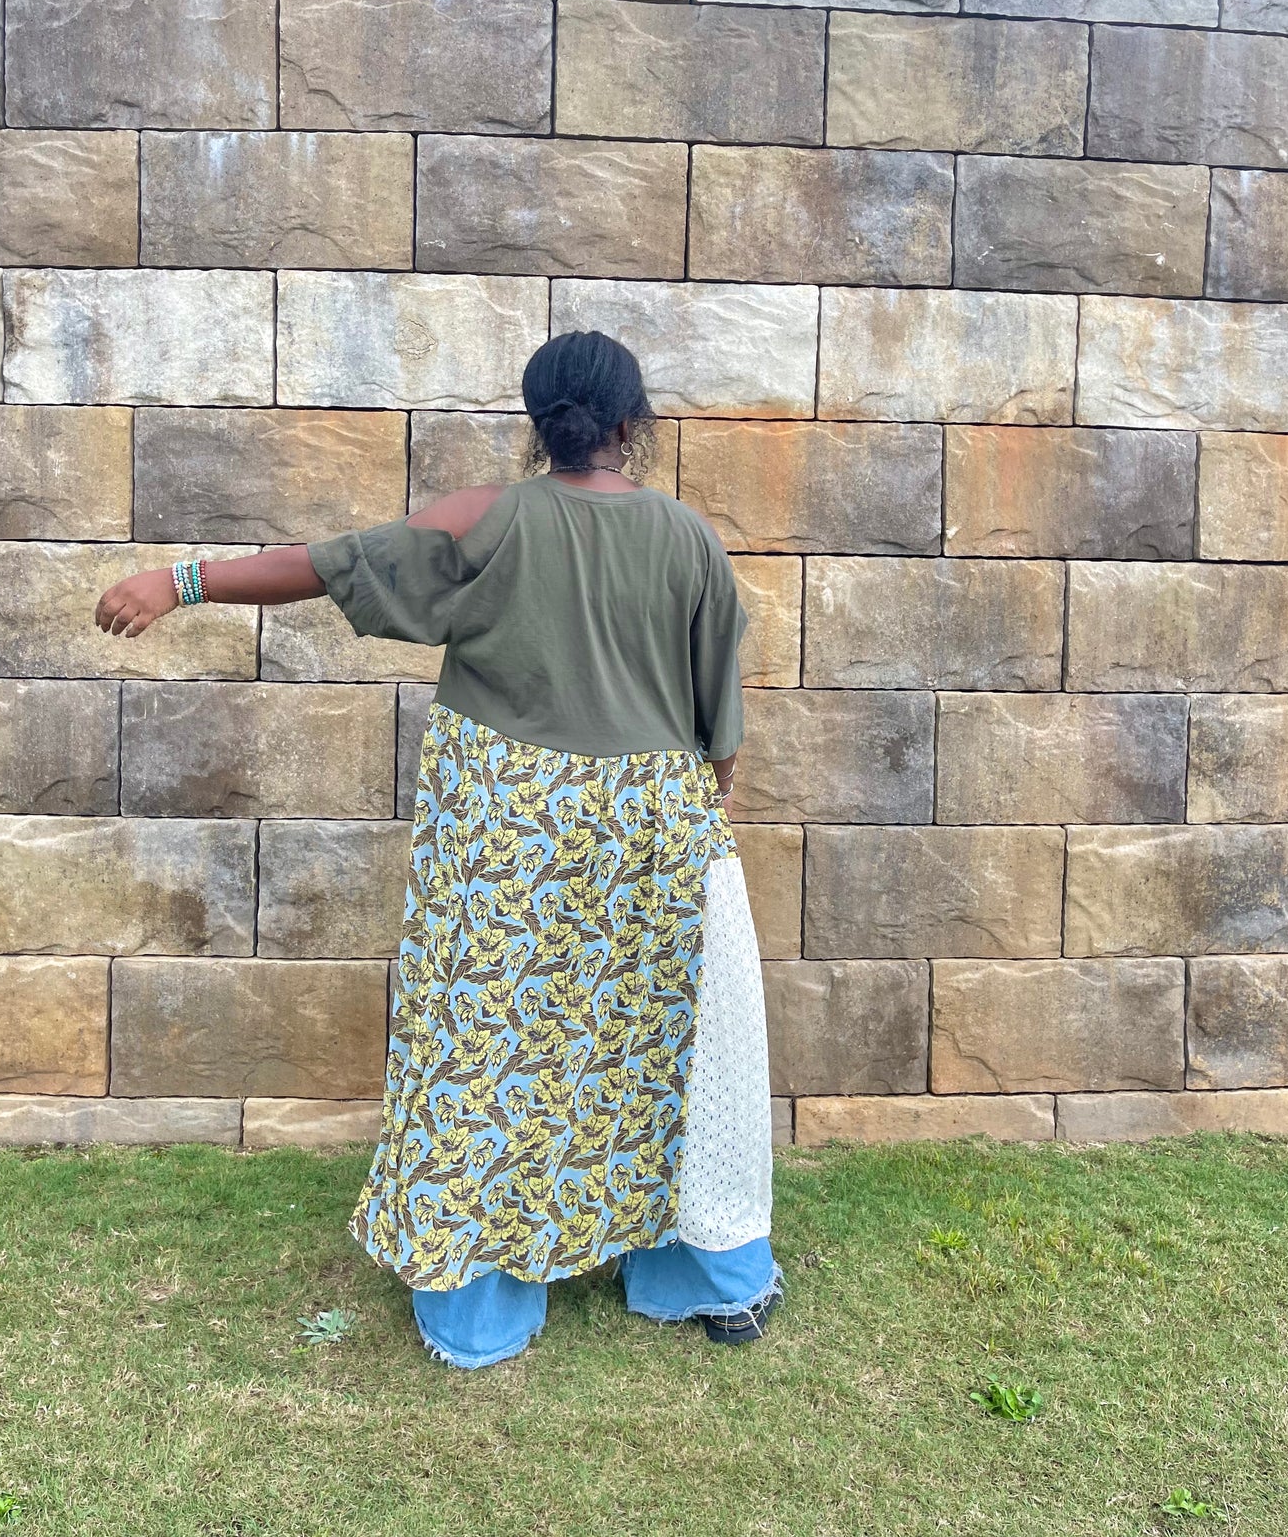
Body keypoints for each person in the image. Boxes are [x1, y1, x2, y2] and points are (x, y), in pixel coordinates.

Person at [95, 329, 778, 1370]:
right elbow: (717, 719)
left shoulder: (487, 518)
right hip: (652, 832)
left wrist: (179, 581)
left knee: (486, 1047)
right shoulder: (688, 539)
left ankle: (478, 1306)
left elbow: (327, 565)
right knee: (655, 1048)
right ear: (630, 424)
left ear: (538, 423)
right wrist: (704, 808)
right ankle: (706, 1276)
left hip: (507, 836)